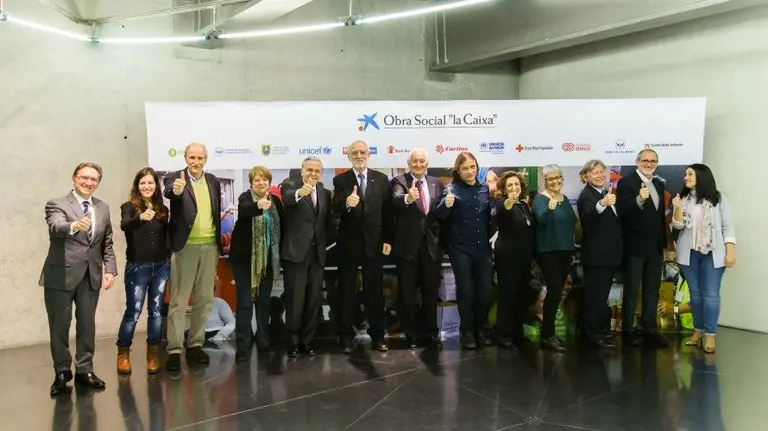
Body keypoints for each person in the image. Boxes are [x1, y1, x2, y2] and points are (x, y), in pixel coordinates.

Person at [41, 162, 117, 395]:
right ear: (74, 178)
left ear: (98, 183)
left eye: (93, 179)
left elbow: (107, 242)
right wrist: (75, 225)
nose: (88, 182)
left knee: (87, 325)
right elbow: (56, 226)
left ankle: (85, 370)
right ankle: (62, 372)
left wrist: (110, 269)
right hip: (60, 275)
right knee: (60, 326)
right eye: (84, 178)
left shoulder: (102, 208)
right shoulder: (57, 204)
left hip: (90, 275)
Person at [163, 143, 223, 371]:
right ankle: (175, 350)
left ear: (205, 159)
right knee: (179, 300)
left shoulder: (214, 181)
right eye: (192, 157)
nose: (195, 162)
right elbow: (170, 191)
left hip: (210, 246)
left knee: (204, 299)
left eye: (200, 158)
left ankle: (196, 344)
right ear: (185, 157)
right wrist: (176, 189)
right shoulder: (175, 177)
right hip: (185, 247)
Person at [333, 140, 393, 353]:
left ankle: (378, 335)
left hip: (375, 245)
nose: (359, 156)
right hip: (349, 246)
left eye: (362, 152)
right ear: (348, 156)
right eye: (354, 153)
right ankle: (345, 337)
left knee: (374, 292)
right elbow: (335, 207)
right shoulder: (340, 180)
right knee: (346, 293)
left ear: (368, 155)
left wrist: (387, 239)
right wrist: (346, 204)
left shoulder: (382, 179)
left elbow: (388, 213)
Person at [671, 163, 736, 353]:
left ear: (702, 176)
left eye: (690, 174)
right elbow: (677, 226)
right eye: (685, 175)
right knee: (696, 294)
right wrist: (677, 208)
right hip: (689, 253)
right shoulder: (682, 198)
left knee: (711, 295)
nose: (686, 178)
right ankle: (698, 331)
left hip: (713, 253)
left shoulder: (719, 198)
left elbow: (727, 226)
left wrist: (730, 251)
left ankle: (710, 335)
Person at [434, 152, 494, 350]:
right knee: (466, 291)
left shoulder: (485, 188)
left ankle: (481, 327)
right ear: (458, 170)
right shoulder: (451, 189)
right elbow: (440, 215)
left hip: (483, 248)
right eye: (465, 168)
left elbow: (490, 218)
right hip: (460, 248)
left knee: (485, 291)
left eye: (472, 167)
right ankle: (467, 331)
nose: (470, 171)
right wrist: (446, 205)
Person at [116, 167, 171, 374]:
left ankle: (153, 354)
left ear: (156, 186)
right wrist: (141, 218)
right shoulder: (129, 207)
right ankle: (123, 354)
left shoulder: (162, 208)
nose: (147, 186)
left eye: (150, 183)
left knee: (156, 312)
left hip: (161, 266)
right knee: (133, 311)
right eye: (143, 183)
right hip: (138, 267)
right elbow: (124, 225)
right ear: (137, 186)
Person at [390, 149, 445, 350]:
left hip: (432, 247)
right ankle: (411, 334)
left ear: (427, 162)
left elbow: (439, 213)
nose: (419, 164)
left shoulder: (436, 182)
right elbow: (395, 200)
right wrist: (407, 198)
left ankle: (431, 333)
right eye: (415, 161)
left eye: (422, 161)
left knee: (431, 293)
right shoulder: (399, 181)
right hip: (407, 248)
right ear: (409, 163)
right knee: (408, 294)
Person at [616, 149, 669, 348]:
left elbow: (658, 218)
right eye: (645, 160)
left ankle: (649, 329)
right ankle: (628, 330)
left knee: (652, 290)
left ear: (657, 163)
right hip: (634, 247)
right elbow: (622, 212)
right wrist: (638, 200)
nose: (648, 163)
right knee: (631, 290)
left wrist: (663, 244)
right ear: (637, 161)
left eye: (652, 161)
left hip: (655, 248)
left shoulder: (658, 184)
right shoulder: (626, 182)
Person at [280, 156, 332, 357]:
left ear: (321, 173)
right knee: (295, 300)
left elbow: (325, 221)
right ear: (302, 171)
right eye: (309, 170)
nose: (312, 174)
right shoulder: (289, 185)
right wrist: (300, 193)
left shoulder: (325, 192)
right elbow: (287, 199)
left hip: (317, 254)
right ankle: (292, 342)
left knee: (313, 300)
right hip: (296, 254)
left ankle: (307, 341)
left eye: (317, 171)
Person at [230, 166, 283, 362]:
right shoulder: (246, 197)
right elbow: (244, 211)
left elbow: (281, 228)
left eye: (264, 180)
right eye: (257, 180)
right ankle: (243, 345)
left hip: (268, 260)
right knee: (244, 303)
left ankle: (263, 341)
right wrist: (258, 205)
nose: (261, 183)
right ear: (251, 183)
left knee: (264, 303)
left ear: (269, 182)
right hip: (245, 262)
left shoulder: (276, 201)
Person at [577, 160, 622, 350]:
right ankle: (592, 334)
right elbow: (588, 217)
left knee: (601, 297)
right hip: (596, 257)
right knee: (594, 297)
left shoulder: (604, 193)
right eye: (594, 172)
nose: (599, 175)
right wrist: (601, 204)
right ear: (586, 176)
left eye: (601, 172)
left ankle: (600, 330)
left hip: (608, 256)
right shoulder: (587, 196)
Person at [531, 164, 576, 352]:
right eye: (551, 179)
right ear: (545, 180)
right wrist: (549, 209)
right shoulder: (541, 199)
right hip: (547, 252)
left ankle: (549, 334)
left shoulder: (565, 199)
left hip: (566, 251)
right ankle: (548, 335)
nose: (555, 181)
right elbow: (541, 219)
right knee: (555, 290)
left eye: (558, 178)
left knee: (558, 292)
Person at [493, 171, 535, 351]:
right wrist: (508, 202)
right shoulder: (504, 204)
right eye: (509, 185)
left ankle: (517, 333)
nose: (513, 188)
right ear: (503, 189)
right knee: (507, 296)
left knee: (521, 296)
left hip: (524, 259)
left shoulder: (524, 206)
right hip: (507, 259)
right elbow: (504, 213)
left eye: (516, 184)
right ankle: (503, 336)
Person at [205, 277, 236, 342]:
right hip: (199, 337)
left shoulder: (219, 302)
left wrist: (219, 336)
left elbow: (232, 322)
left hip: (216, 334)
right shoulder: (196, 304)